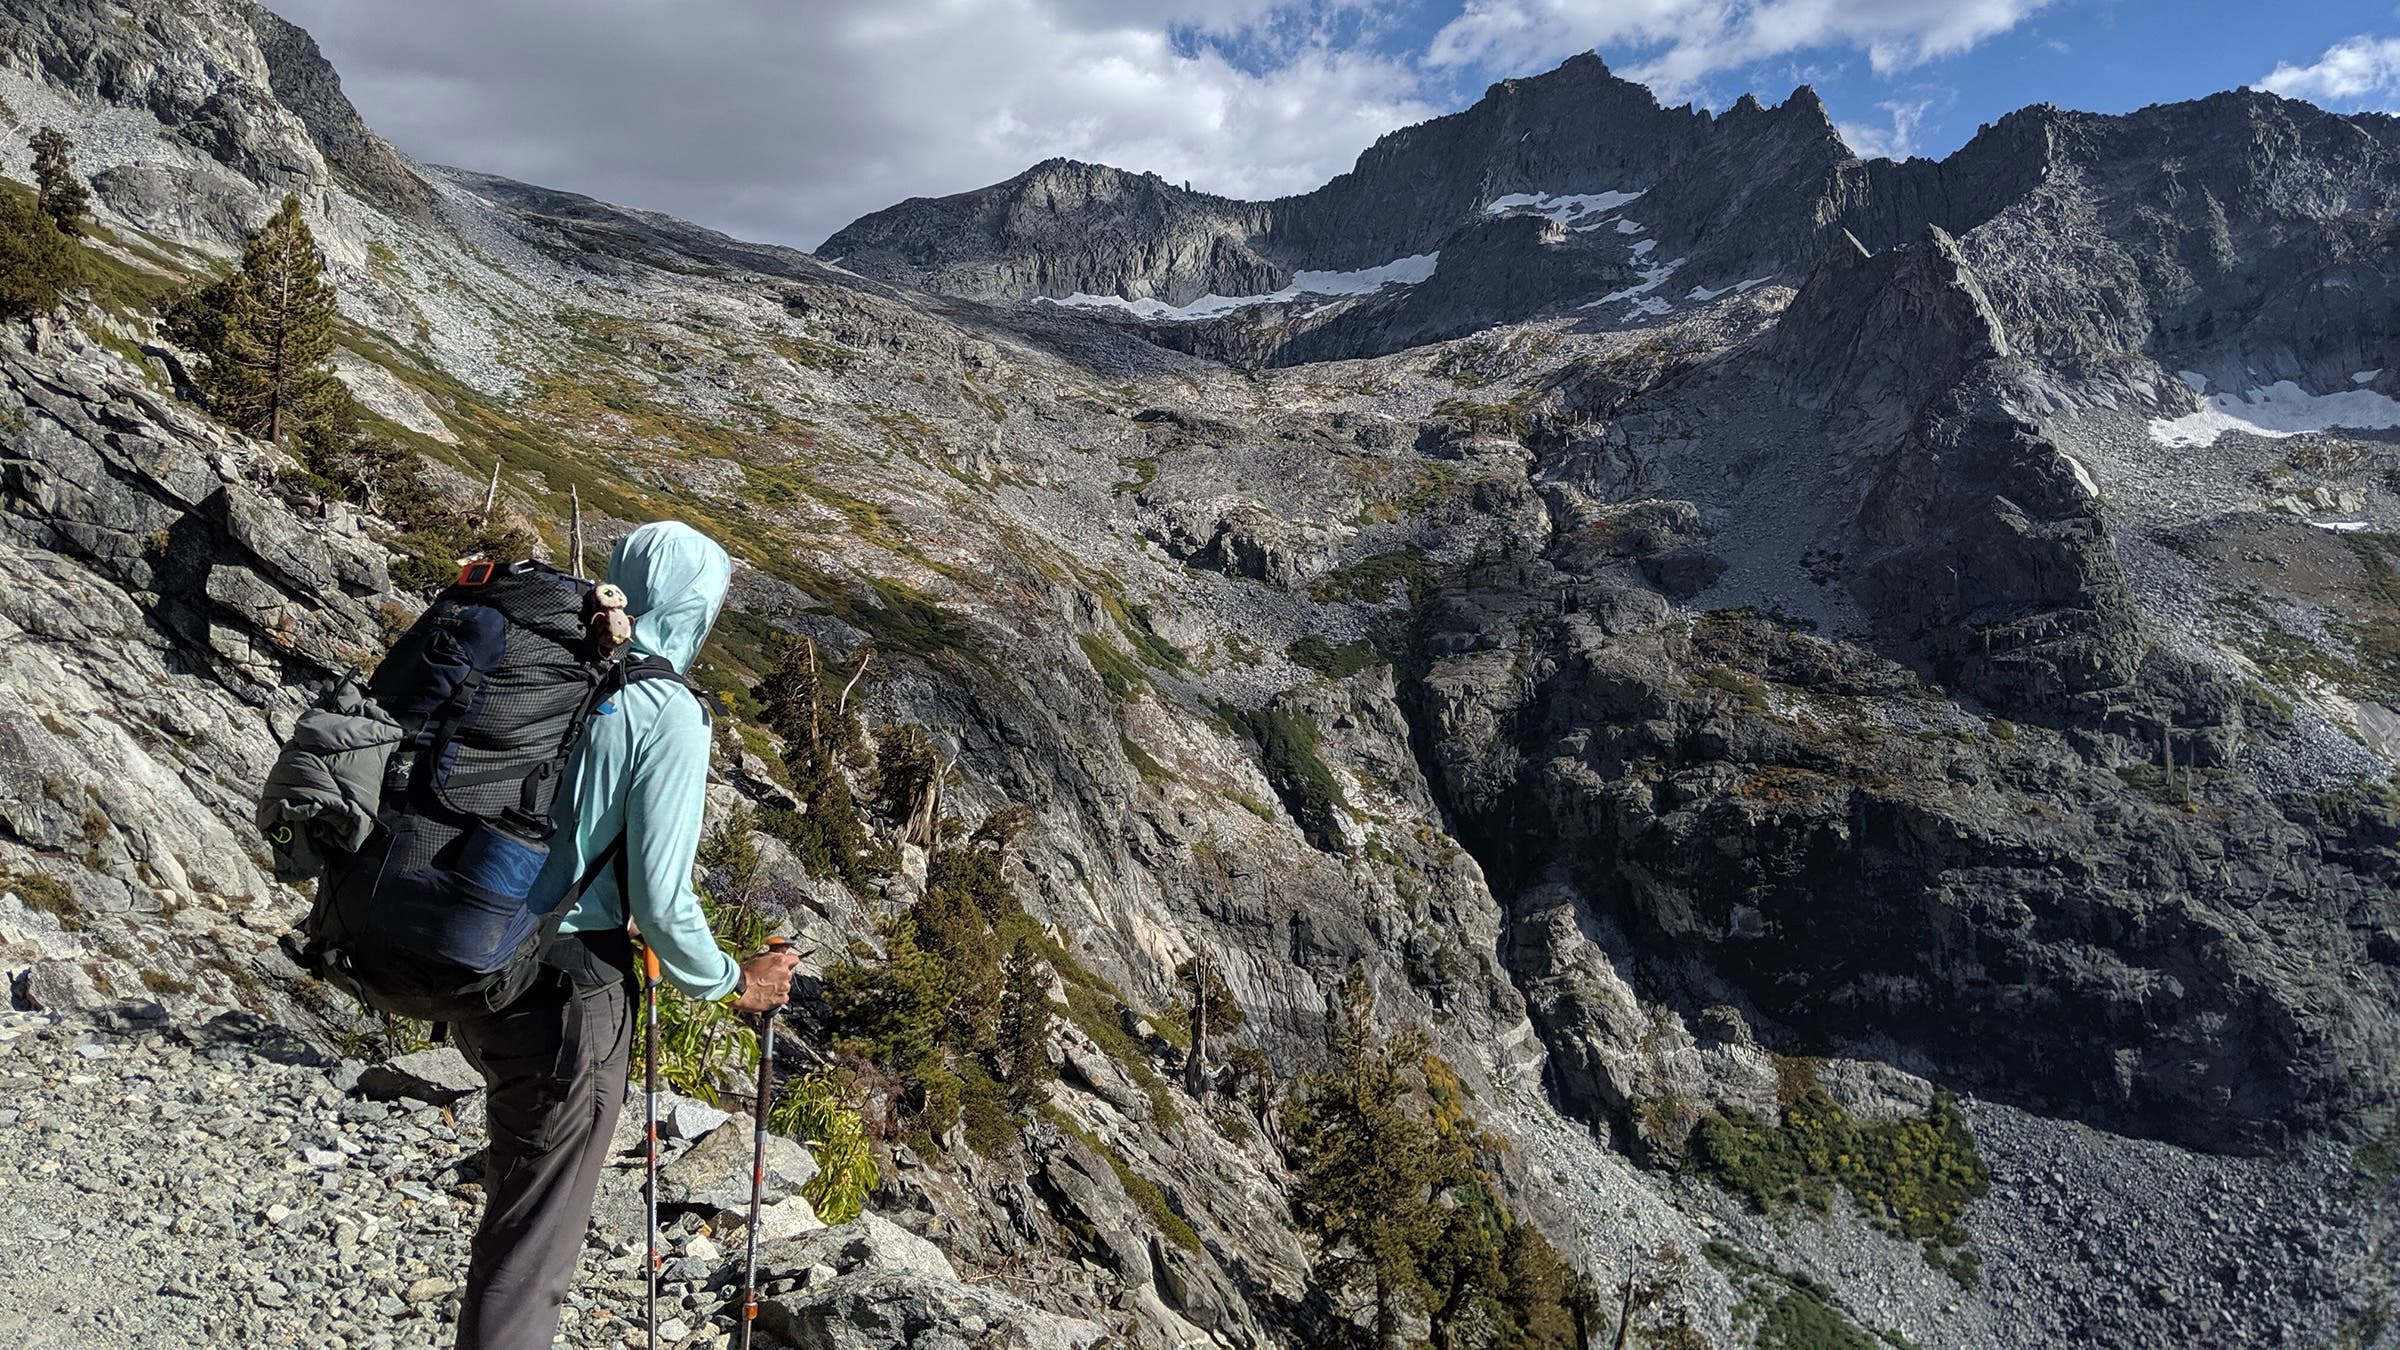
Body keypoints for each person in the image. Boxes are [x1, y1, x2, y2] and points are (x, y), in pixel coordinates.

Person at [449, 521, 800, 1350]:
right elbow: (663, 899)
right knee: (532, 1252)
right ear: (696, 608)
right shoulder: (662, 709)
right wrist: (734, 983)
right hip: (571, 992)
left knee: (516, 1206)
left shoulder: (552, 667)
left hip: (482, 954)